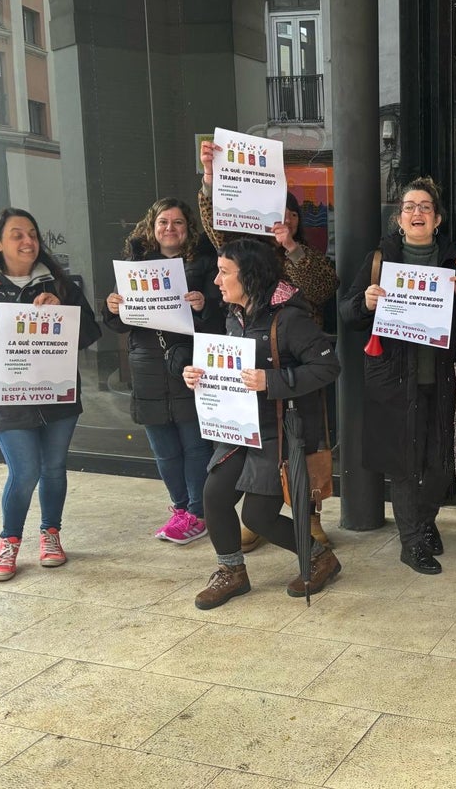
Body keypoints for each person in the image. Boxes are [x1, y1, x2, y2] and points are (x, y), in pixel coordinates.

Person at [183, 238, 341, 610]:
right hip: (238, 427)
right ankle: (232, 572)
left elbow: (327, 366)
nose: (217, 281)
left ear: (249, 276)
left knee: (258, 516)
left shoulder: (289, 318)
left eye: (224, 273)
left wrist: (272, 381)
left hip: (278, 432)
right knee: (214, 497)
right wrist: (200, 375)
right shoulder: (235, 316)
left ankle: (321, 557)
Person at [199, 140, 340, 550]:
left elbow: (322, 289)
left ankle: (305, 525)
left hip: (292, 360)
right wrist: (210, 179)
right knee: (236, 492)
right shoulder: (244, 262)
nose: (281, 221)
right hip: (249, 400)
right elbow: (219, 235)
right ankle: (262, 528)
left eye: (289, 215)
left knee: (297, 458)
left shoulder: (304, 257)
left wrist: (291, 247)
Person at [0, 208, 102, 581]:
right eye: (16, 234)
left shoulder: (61, 284)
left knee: (53, 468)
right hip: (8, 400)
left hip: (58, 398)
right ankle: (10, 541)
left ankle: (51, 533)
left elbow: (89, 335)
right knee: (24, 472)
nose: (27, 241)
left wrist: (63, 312)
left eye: (32, 233)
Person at [339, 177, 456, 575]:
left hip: (441, 380)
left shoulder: (454, 262)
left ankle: (425, 522)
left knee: (440, 464)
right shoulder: (380, 259)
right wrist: (364, 301)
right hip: (395, 380)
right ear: (400, 218)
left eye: (425, 207)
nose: (417, 213)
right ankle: (411, 542)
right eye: (410, 206)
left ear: (438, 218)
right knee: (403, 464)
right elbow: (346, 313)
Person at [103, 197, 223, 544]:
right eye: (163, 223)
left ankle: (199, 512)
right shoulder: (134, 267)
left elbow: (221, 316)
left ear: (189, 229)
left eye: (178, 223)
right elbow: (119, 325)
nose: (170, 228)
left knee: (195, 446)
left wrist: (205, 305)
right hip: (147, 368)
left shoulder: (207, 264)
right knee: (164, 449)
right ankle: (181, 508)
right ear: (152, 228)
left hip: (189, 365)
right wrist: (112, 308)